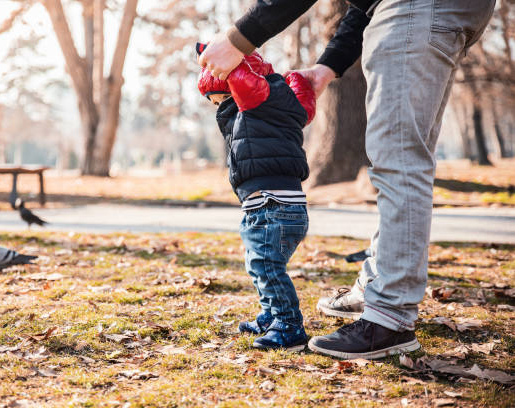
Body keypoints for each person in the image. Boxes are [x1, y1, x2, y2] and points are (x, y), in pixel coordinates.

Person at [198, 0, 495, 359]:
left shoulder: (261, 94)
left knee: (399, 160)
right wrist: (326, 67)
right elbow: (367, 5)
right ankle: (377, 289)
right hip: (423, 8)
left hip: (419, 7)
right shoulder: (273, 103)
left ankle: (390, 316)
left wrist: (237, 40)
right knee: (400, 158)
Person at [197, 44, 316, 351]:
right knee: (260, 263)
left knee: (266, 265)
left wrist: (222, 52)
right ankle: (270, 315)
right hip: (281, 206)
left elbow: (239, 73)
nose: (221, 107)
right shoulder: (284, 106)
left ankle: (289, 327)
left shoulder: (254, 99)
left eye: (223, 99)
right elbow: (305, 104)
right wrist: (299, 81)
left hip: (270, 205)